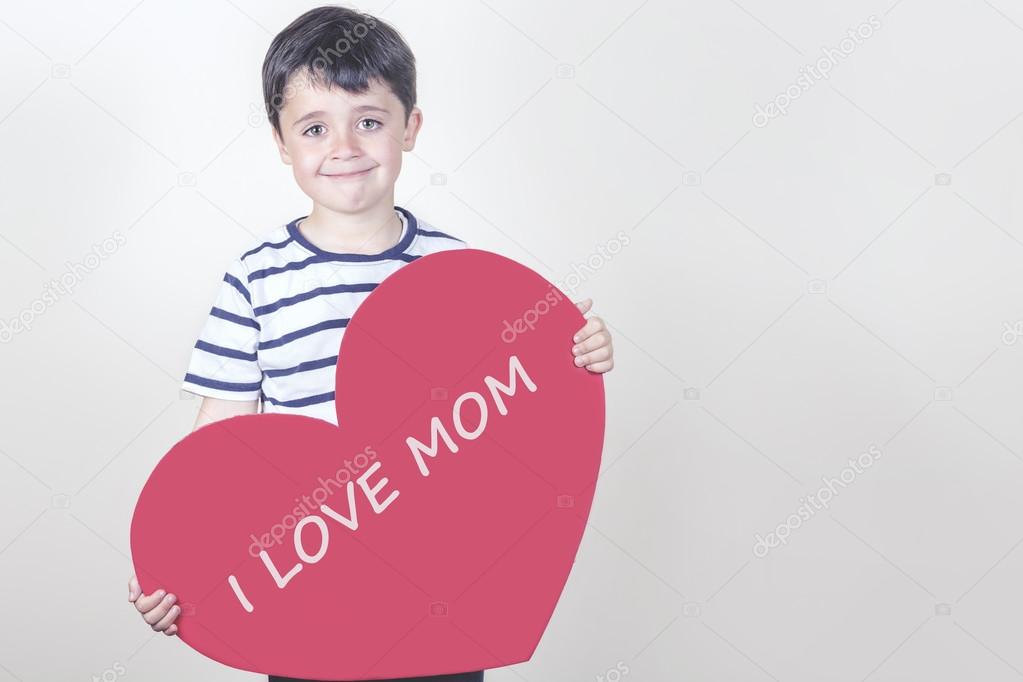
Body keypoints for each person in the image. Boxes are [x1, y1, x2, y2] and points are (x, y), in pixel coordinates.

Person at [127, 5, 615, 681]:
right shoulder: (255, 278)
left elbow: (508, 413)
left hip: (440, 585)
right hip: (305, 579)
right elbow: (216, 447)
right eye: (314, 127)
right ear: (280, 140)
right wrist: (175, 563)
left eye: (370, 121)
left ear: (409, 128)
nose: (344, 146)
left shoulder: (458, 273)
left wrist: (575, 353)